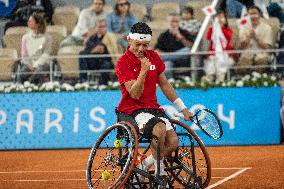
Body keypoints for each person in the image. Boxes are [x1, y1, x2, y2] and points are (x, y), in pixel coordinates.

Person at [115, 22, 192, 178]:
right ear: (129, 40)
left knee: (173, 142)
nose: (142, 49)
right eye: (138, 44)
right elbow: (134, 94)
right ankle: (160, 172)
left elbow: (164, 84)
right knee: (159, 128)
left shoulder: (154, 57)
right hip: (133, 109)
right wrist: (143, 71)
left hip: (153, 108)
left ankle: (145, 163)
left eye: (145, 45)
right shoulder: (122, 62)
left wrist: (182, 108)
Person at [154, 12, 194, 79]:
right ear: (168, 22)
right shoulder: (163, 35)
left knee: (187, 50)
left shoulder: (185, 32)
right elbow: (157, 50)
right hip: (169, 61)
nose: (174, 24)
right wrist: (158, 52)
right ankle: (171, 84)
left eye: (176, 22)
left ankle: (167, 57)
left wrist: (181, 37)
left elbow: (191, 47)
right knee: (167, 65)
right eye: (172, 21)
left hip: (183, 60)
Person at [79, 19, 118, 84]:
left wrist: (103, 48)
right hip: (94, 61)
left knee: (106, 64)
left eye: (104, 26)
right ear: (95, 28)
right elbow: (87, 50)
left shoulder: (110, 37)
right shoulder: (92, 38)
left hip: (107, 61)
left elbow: (112, 50)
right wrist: (93, 51)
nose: (102, 29)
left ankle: (104, 85)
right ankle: (83, 81)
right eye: (100, 27)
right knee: (82, 54)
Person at [17, 12, 52, 84]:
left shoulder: (47, 38)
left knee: (37, 74)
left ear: (37, 24)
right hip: (28, 63)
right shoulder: (25, 37)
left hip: (42, 63)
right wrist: (30, 65)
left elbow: (46, 54)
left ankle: (31, 87)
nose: (28, 22)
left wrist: (35, 65)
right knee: (22, 74)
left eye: (31, 21)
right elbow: (24, 54)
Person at [237, 5, 273, 74]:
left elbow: (267, 48)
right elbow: (241, 47)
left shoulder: (267, 28)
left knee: (262, 66)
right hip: (246, 55)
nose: (252, 16)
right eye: (250, 14)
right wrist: (249, 37)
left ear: (259, 15)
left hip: (262, 55)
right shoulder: (243, 28)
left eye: (255, 14)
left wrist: (256, 38)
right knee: (241, 68)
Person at [204, 10, 235, 82]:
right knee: (211, 64)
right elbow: (208, 37)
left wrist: (220, 27)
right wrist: (213, 27)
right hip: (213, 54)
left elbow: (228, 37)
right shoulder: (212, 29)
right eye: (218, 17)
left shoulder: (228, 30)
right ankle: (209, 80)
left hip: (225, 54)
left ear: (226, 20)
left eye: (222, 17)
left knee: (221, 65)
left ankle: (220, 80)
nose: (220, 19)